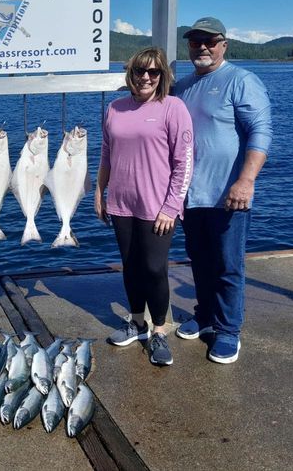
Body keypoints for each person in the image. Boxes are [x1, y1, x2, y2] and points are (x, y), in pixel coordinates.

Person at [174, 17, 272, 364]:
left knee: (228, 265)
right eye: (195, 41)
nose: (202, 46)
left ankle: (228, 330)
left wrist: (246, 181)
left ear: (224, 44)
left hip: (228, 195)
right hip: (189, 195)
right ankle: (205, 315)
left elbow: (260, 132)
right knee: (199, 261)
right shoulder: (182, 86)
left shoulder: (241, 81)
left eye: (210, 41)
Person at [95, 47, 194, 367]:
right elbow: (106, 155)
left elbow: (184, 162)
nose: (146, 78)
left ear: (162, 76)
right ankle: (137, 322)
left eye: (153, 72)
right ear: (131, 74)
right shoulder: (114, 108)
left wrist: (171, 206)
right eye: (140, 71)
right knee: (131, 266)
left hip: (158, 207)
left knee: (154, 268)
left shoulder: (173, 107)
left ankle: (159, 332)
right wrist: (99, 191)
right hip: (122, 203)